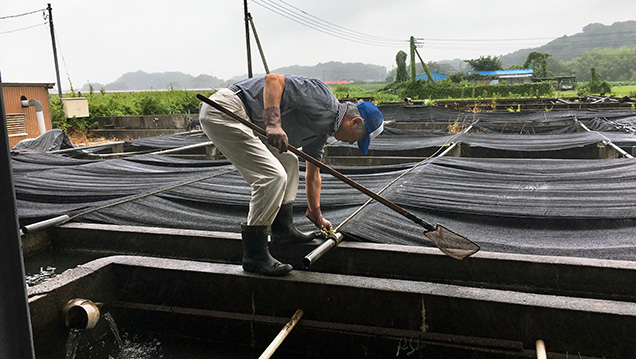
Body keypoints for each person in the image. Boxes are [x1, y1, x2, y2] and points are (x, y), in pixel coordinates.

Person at [199, 74, 383, 276]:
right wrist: (273, 123)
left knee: (288, 160)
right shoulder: (324, 100)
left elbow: (313, 173)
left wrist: (316, 213)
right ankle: (255, 255)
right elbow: (274, 81)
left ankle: (283, 229)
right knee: (272, 176)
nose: (352, 144)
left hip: (244, 117)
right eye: (358, 139)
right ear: (355, 122)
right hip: (226, 110)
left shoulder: (322, 132)